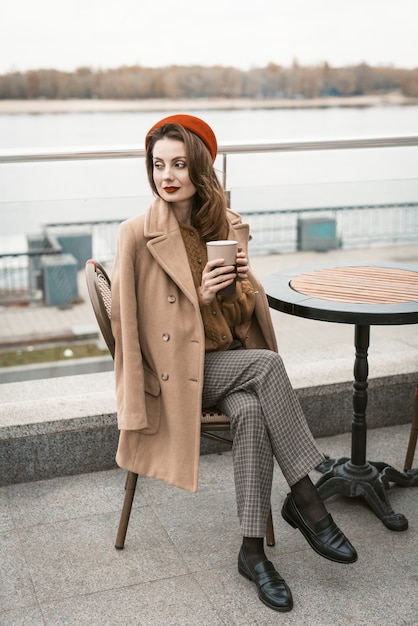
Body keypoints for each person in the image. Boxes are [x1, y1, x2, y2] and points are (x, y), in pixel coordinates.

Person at [111, 114, 357, 613]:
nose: (168, 175)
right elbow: (130, 331)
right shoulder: (136, 235)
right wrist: (197, 298)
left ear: (200, 167)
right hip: (178, 376)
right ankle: (307, 495)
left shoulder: (226, 224)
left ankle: (251, 553)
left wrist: (241, 284)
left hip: (227, 363)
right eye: (159, 165)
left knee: (250, 411)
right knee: (266, 367)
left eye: (180, 163)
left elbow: (241, 320)